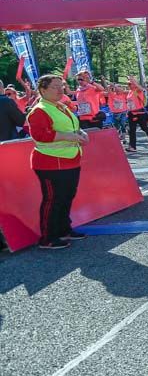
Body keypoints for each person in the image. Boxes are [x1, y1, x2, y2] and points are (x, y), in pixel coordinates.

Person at [26, 74, 89, 249]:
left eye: (61, 85)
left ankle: (64, 229)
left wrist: (82, 135)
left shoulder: (61, 106)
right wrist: (68, 136)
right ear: (42, 90)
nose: (60, 89)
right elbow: (39, 135)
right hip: (50, 162)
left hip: (70, 159)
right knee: (53, 200)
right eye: (55, 87)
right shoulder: (39, 109)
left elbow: (74, 126)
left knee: (67, 197)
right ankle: (47, 237)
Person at [125, 77, 148, 152]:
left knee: (144, 128)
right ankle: (132, 147)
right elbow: (129, 103)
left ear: (134, 84)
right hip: (131, 113)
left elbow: (141, 89)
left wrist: (134, 81)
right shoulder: (129, 92)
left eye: (130, 84)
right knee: (131, 130)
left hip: (140, 113)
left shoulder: (137, 90)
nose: (129, 85)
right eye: (128, 84)